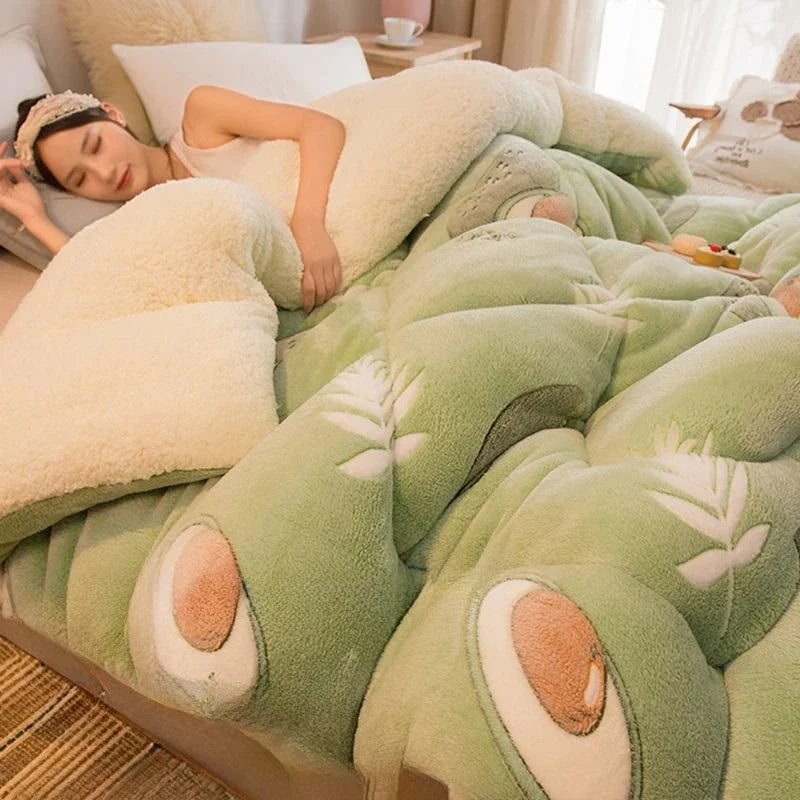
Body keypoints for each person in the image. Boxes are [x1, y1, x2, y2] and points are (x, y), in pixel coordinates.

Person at [0, 87, 346, 312]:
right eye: (80, 179)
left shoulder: (203, 115)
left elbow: (321, 127)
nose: (103, 173)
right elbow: (106, 279)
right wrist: (35, 220)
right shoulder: (148, 222)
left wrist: (308, 222)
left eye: (96, 145)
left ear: (113, 113)